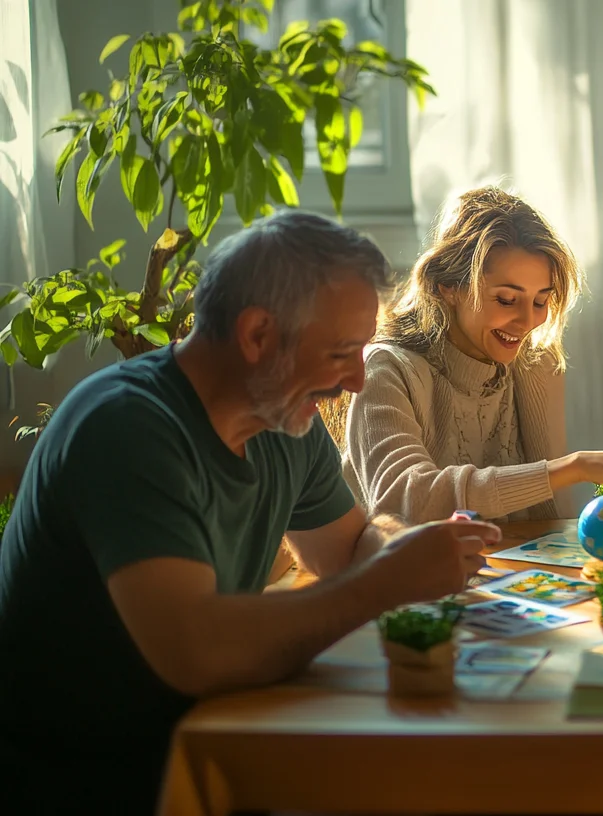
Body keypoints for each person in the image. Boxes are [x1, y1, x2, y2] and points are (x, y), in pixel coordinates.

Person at [0, 211, 500, 815]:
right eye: (342, 352)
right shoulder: (125, 429)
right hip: (95, 782)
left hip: (224, 741)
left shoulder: (281, 416)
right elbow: (197, 653)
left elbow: (349, 545)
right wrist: (386, 582)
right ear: (258, 334)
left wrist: (404, 552)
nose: (358, 381)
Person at [341, 187, 603, 524]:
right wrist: (575, 467)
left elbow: (550, 517)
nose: (528, 322)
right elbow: (403, 500)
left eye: (540, 301)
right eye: (506, 300)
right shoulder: (387, 370)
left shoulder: (535, 366)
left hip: (513, 573)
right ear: (447, 286)